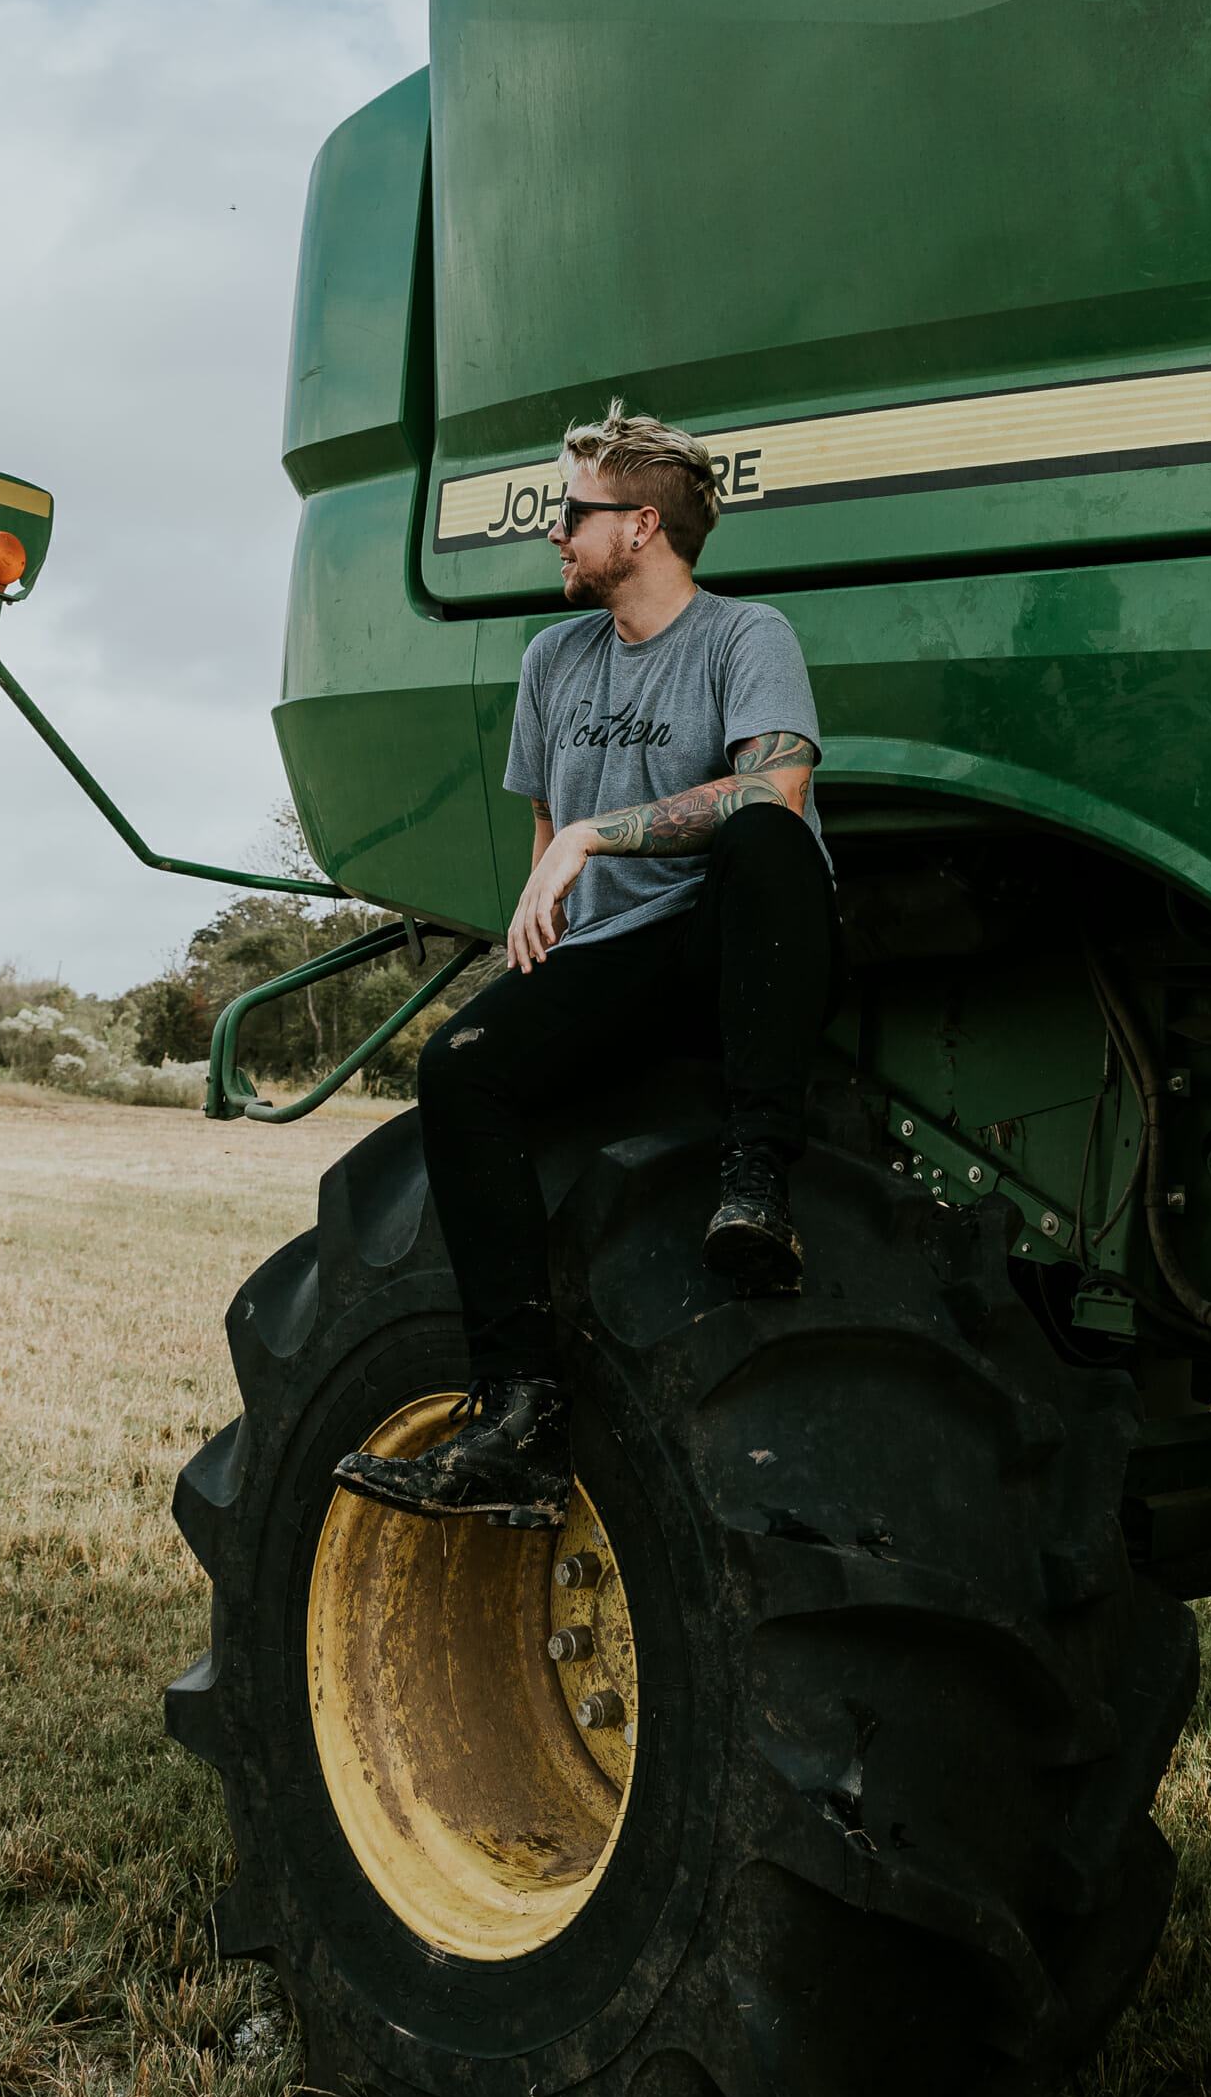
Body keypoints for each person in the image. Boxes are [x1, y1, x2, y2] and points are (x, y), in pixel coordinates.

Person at [332, 401, 839, 1527]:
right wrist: (531, 935)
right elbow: (544, 845)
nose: (554, 533)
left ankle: (754, 1181)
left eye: (572, 512)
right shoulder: (552, 657)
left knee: (765, 833)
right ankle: (516, 1415)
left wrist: (590, 837)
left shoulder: (742, 636)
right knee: (459, 1063)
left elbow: (776, 788)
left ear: (643, 526)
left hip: (719, 942)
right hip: (609, 958)